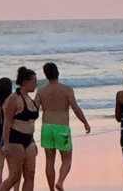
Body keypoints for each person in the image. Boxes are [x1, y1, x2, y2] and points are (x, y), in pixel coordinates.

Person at [35, 62, 91, 191]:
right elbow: (75, 108)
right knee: (66, 159)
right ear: (58, 72)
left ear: (46, 75)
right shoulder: (66, 90)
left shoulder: (41, 91)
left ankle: (51, 189)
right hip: (62, 128)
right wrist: (85, 122)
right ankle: (60, 181)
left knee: (49, 161)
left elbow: (34, 110)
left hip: (47, 127)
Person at [0, 67, 39, 191]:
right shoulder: (13, 99)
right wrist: (6, 144)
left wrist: (33, 141)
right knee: (15, 175)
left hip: (29, 139)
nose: (36, 85)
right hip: (15, 138)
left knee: (30, 174)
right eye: (34, 82)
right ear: (25, 82)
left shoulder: (30, 100)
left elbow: (31, 123)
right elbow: (7, 122)